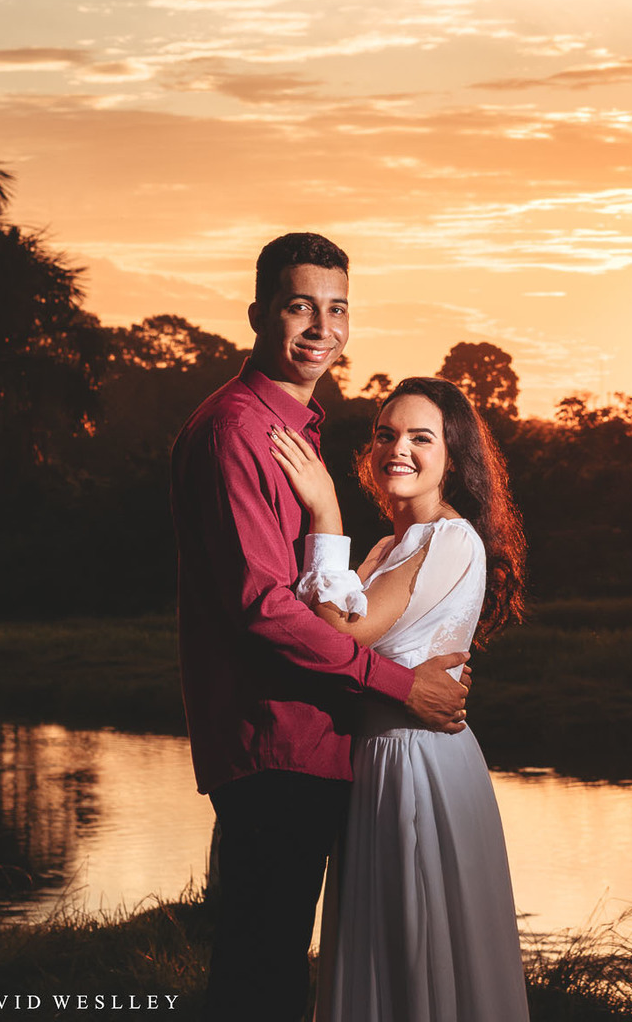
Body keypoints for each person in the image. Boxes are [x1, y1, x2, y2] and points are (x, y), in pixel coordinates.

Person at [170, 233, 471, 1022]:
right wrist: (405, 687)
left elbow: (320, 601)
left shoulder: (293, 431)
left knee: (275, 967)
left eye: (337, 309)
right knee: (261, 975)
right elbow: (264, 606)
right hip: (277, 738)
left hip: (310, 743)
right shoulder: (238, 428)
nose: (321, 327)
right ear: (260, 314)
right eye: (300, 305)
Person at [268, 374, 530, 1022]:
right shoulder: (389, 545)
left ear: (451, 454)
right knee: (386, 944)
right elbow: (317, 637)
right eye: (387, 435)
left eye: (421, 437)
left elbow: (338, 633)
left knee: (418, 945)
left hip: (417, 765)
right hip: (378, 762)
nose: (399, 450)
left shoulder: (450, 538)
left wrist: (325, 516)